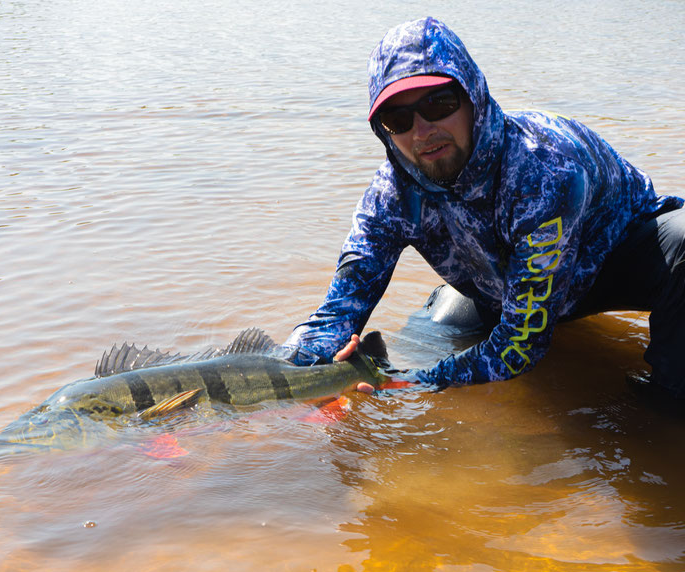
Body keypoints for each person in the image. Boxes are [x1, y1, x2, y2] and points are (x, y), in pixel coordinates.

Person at [281, 17, 685, 400]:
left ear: (473, 95)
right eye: (398, 118)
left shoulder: (544, 171)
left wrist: (409, 384)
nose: (422, 131)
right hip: (503, 286)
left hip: (607, 262)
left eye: (439, 103)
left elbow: (521, 347)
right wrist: (295, 374)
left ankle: (666, 406)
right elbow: (338, 312)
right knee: (435, 331)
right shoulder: (392, 193)